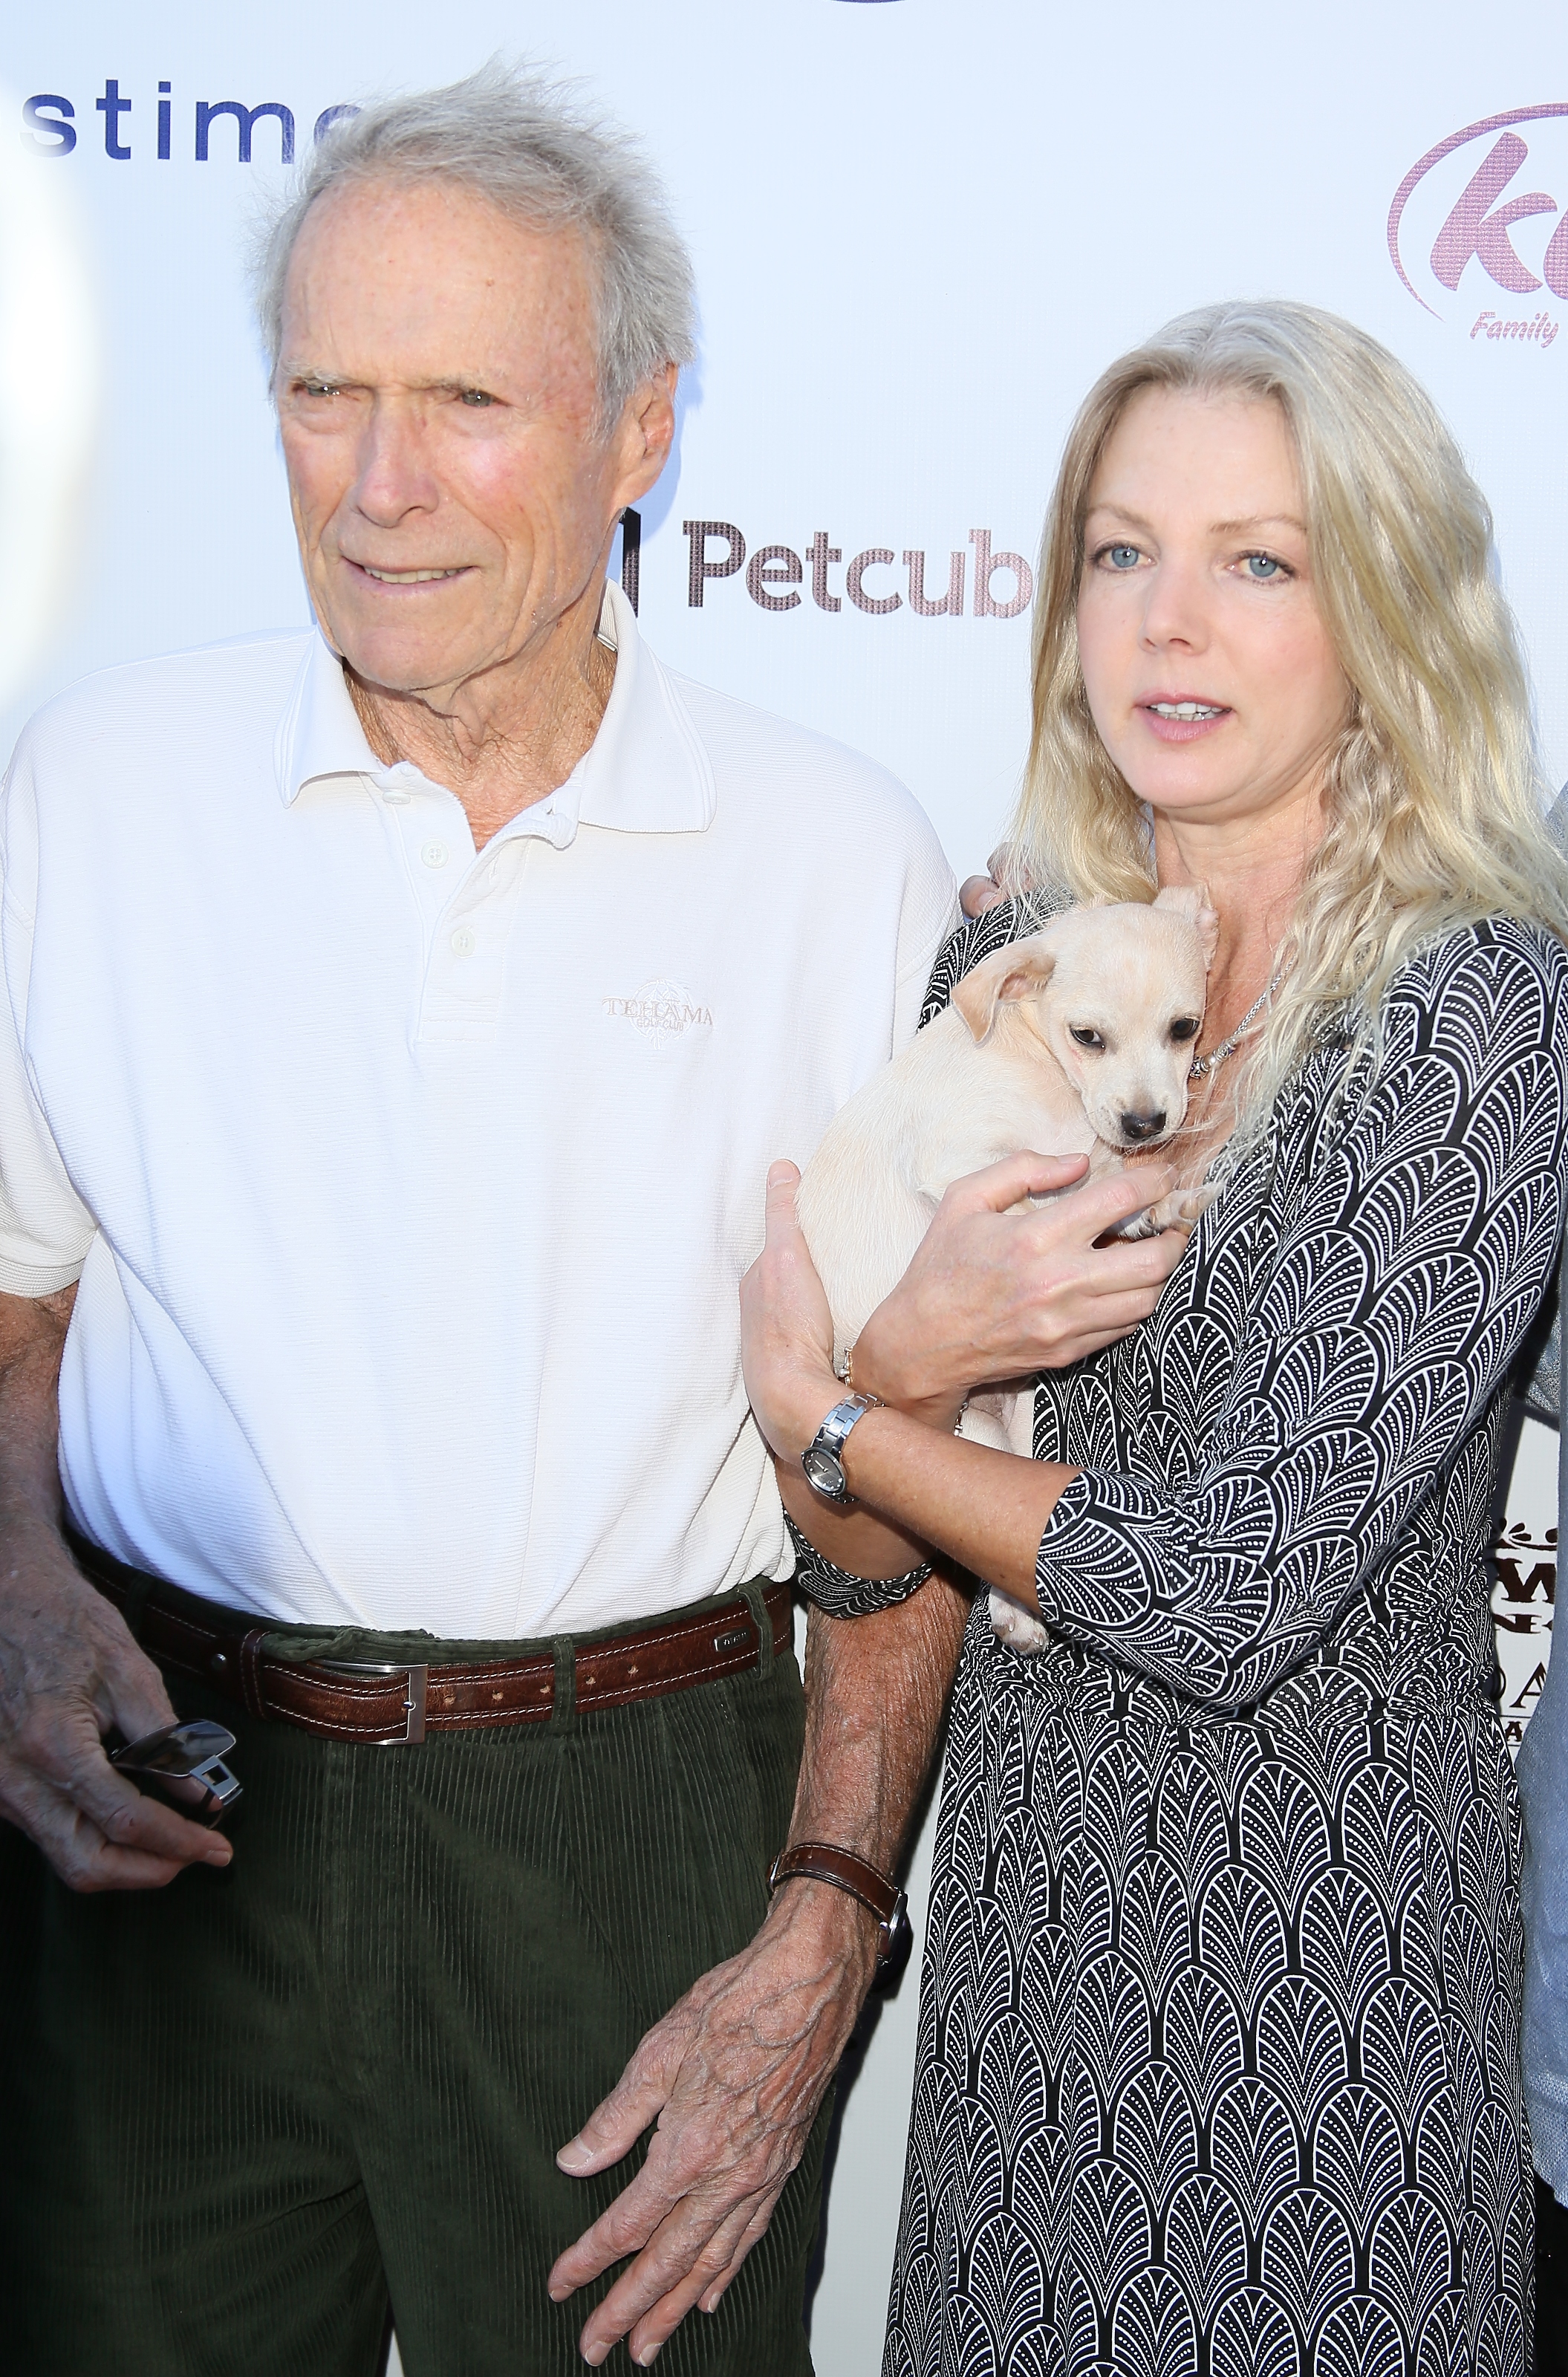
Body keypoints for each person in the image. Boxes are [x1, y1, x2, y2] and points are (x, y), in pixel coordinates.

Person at [0, 64, 967, 2377]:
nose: (380, 483)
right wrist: (20, 1595)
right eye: (323, 395)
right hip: (166, 1824)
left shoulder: (835, 859)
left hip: (634, 1846)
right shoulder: (102, 788)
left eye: (465, 403)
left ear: (642, 430)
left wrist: (826, 1924)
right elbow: (18, 1286)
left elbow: (916, 1452)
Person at [741, 300, 1568, 2373]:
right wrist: (888, 1407)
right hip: (1030, 1954)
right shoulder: (1017, 961)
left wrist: (844, 1410)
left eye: (1256, 561)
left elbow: (1223, 1591)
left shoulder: (1476, 1016)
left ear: (1381, 608)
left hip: (1332, 1997)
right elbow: (866, 1578)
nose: (1169, 624)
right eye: (1122, 554)